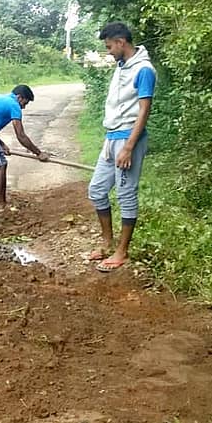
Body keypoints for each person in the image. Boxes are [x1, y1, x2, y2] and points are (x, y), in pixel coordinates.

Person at [87, 22, 156, 272]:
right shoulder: (121, 66)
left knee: (126, 194)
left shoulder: (144, 70)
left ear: (121, 42)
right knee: (96, 190)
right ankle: (107, 242)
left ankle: (122, 252)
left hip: (129, 139)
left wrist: (129, 146)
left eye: (109, 47)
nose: (108, 52)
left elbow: (144, 109)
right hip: (111, 137)